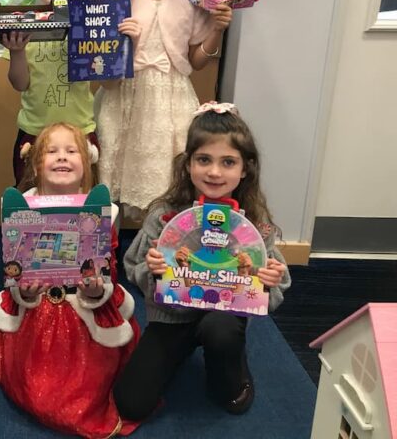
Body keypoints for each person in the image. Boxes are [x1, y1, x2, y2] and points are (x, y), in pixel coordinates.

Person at [113, 103, 291, 420]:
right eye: (204, 160)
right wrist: (153, 270)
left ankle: (229, 363)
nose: (214, 172)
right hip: (172, 318)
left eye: (228, 162)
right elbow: (134, 268)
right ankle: (184, 349)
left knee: (223, 353)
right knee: (131, 403)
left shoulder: (254, 224)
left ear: (245, 168)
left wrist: (268, 280)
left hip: (222, 318)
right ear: (188, 164)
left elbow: (267, 295)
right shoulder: (165, 216)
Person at [0, 123, 141, 439]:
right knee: (37, 385)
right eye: (52, 151)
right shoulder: (20, 207)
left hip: (84, 306)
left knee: (92, 381)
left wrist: (96, 290)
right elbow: (12, 267)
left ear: (86, 164)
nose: (62, 157)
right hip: (39, 307)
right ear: (37, 165)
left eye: (71, 150)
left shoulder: (102, 210)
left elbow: (110, 268)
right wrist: (23, 290)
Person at [95, 0, 233, 219]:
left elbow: (196, 61)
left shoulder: (192, 0)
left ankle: (161, 250)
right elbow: (101, 47)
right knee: (114, 174)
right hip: (123, 93)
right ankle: (110, 256)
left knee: (167, 176)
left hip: (171, 98)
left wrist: (216, 30)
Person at [1, 0, 98, 185]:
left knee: (82, 201)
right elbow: (19, 83)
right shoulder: (23, 23)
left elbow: (106, 79)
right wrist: (17, 51)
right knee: (29, 198)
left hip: (80, 132)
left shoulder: (90, 22)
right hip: (34, 132)